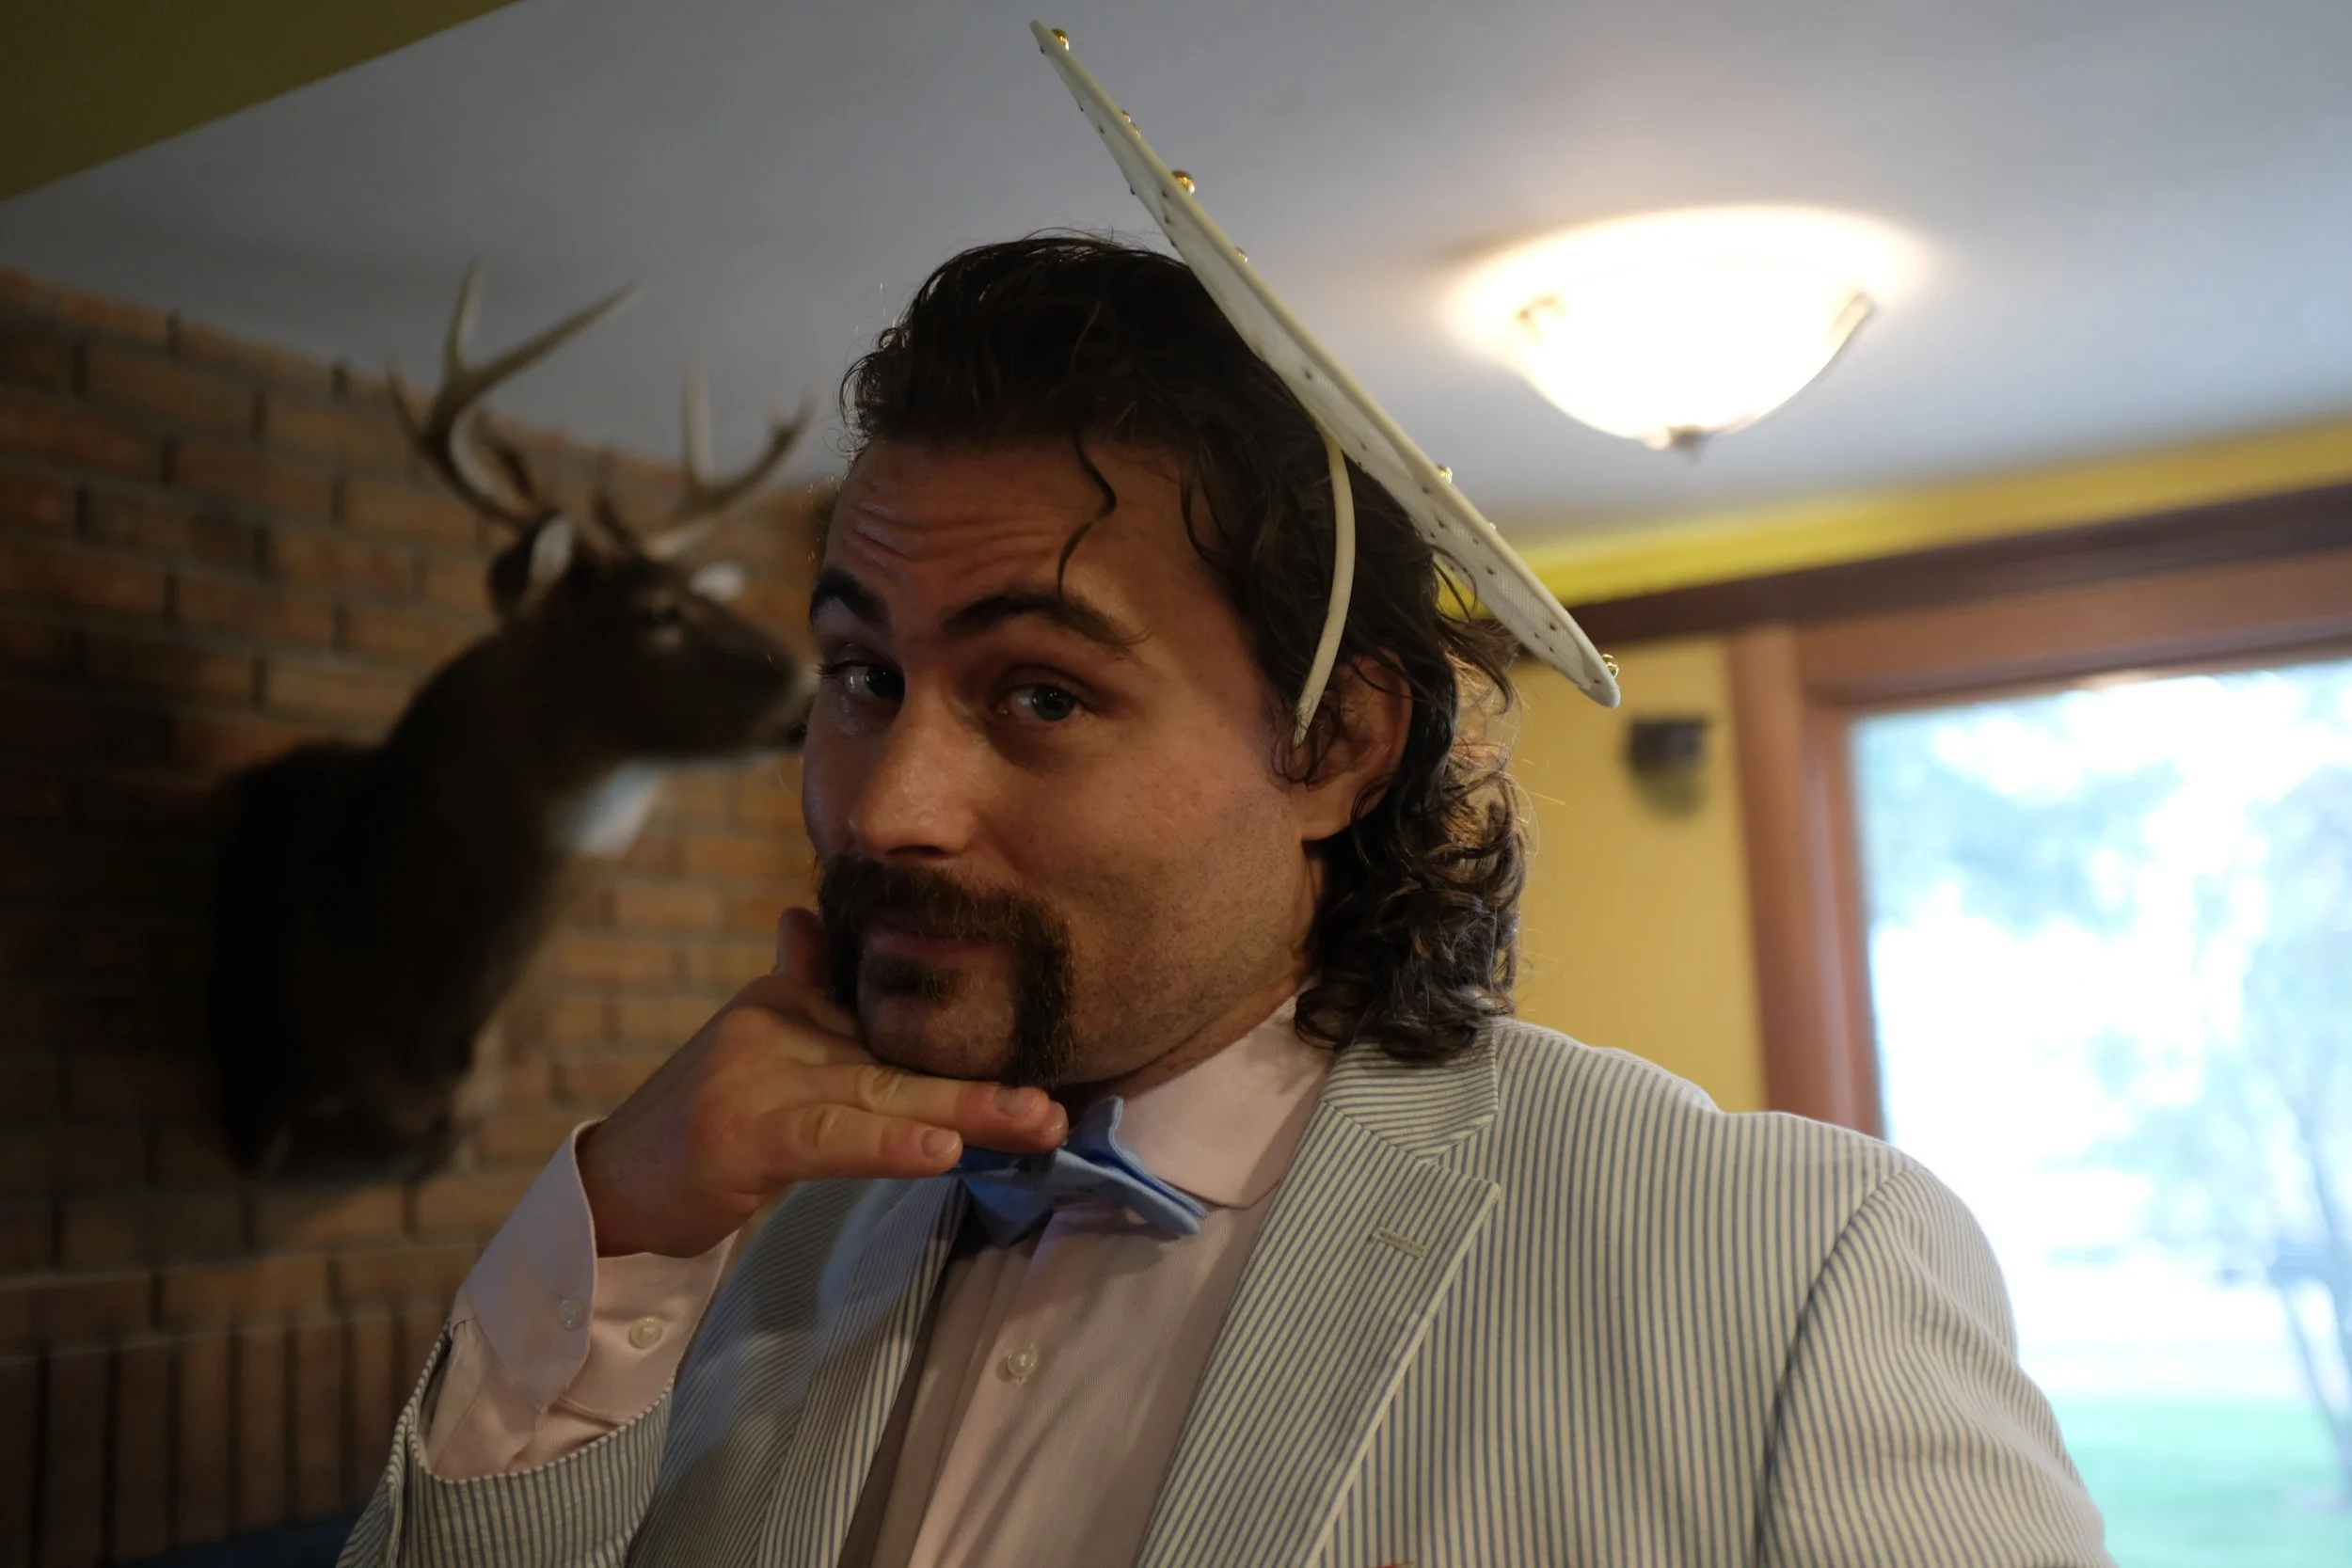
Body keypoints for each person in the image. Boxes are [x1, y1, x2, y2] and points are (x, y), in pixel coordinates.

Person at [333, 229, 2109, 1568]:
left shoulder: (1788, 1272)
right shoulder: (704, 1256)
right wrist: (624, 1230)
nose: (887, 804)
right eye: (864, 677)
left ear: (1335, 746)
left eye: (1042, 693)